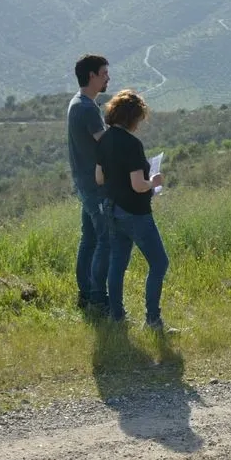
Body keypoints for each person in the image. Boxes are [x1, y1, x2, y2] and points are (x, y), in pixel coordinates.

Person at [94, 89, 172, 332]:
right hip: (135, 212)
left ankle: (116, 316)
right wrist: (154, 182)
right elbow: (138, 185)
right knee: (159, 263)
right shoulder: (132, 144)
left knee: (117, 263)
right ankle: (153, 320)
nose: (139, 123)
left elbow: (99, 178)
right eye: (139, 118)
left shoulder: (104, 139)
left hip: (111, 208)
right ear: (132, 117)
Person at [67, 54, 111, 312]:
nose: (108, 78)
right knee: (105, 239)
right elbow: (106, 144)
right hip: (94, 186)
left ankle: (85, 293)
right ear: (92, 75)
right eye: (104, 73)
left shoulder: (77, 103)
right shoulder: (87, 108)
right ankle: (98, 298)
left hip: (84, 182)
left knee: (90, 238)